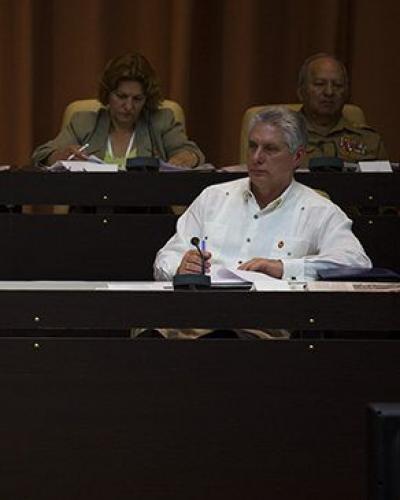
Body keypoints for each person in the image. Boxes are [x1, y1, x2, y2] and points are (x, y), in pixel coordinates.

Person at [153, 106, 371, 339]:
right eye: (252, 146)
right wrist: (180, 267)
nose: (257, 157)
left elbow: (357, 263)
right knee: (142, 343)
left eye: (270, 149)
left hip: (259, 325)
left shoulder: (319, 210)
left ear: (297, 157)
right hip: (194, 316)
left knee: (220, 342)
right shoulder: (213, 197)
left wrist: (284, 268)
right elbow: (165, 257)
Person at [32, 52, 204, 169]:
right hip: (91, 212)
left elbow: (194, 154)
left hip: (147, 213)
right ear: (107, 93)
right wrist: (62, 156)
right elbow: (41, 156)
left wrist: (185, 159)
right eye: (122, 97)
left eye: (137, 99)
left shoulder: (161, 121)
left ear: (148, 98)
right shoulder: (83, 123)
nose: (129, 106)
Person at [297, 53, 387, 166]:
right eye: (319, 84)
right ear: (301, 92)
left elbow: (383, 183)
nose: (329, 92)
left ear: (346, 93)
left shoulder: (370, 141)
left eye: (338, 85)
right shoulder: (281, 138)